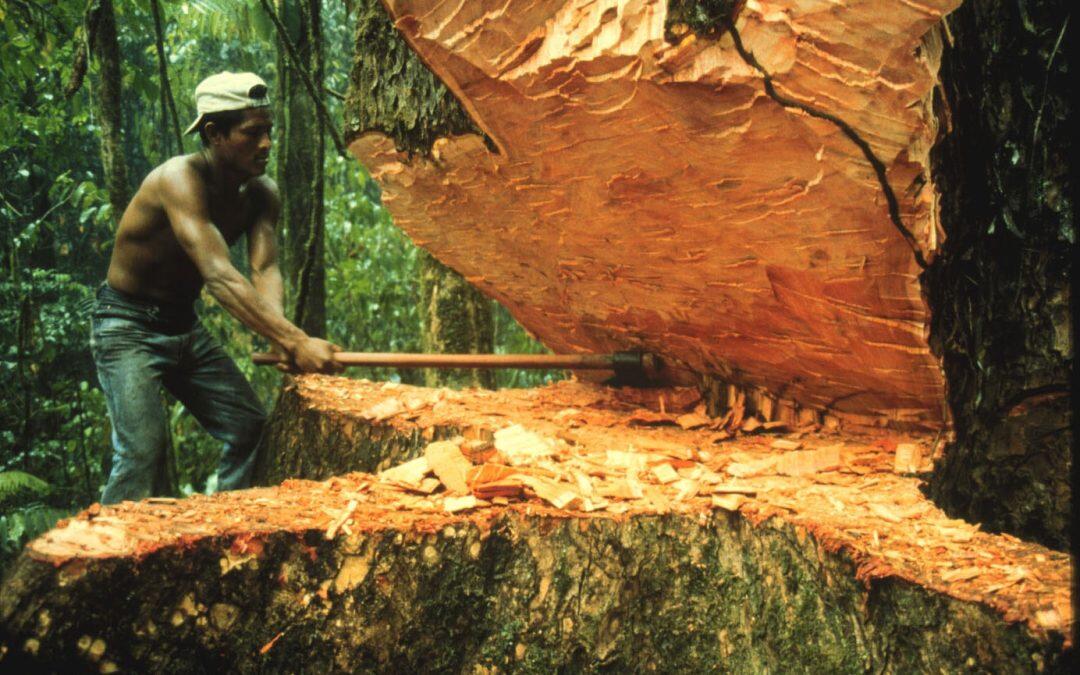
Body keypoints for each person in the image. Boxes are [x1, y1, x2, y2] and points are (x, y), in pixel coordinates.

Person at [91, 71, 341, 504]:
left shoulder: (262, 194)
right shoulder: (178, 179)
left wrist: (281, 336)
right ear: (214, 133)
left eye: (269, 131)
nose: (266, 143)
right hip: (126, 327)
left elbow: (264, 268)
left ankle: (230, 534)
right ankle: (103, 566)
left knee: (248, 427)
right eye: (252, 132)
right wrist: (295, 340)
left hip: (182, 326)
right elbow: (220, 276)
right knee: (142, 453)